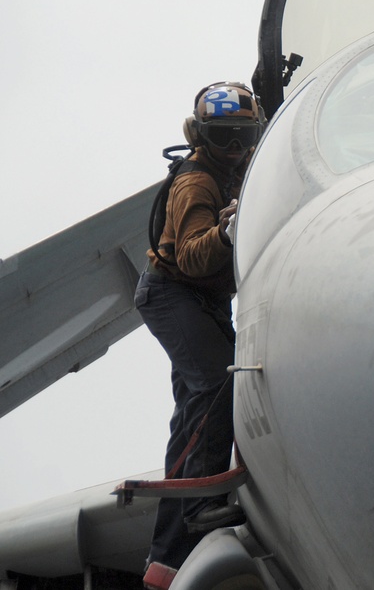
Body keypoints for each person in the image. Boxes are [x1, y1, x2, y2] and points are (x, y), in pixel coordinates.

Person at [135, 81, 264, 588]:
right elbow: (190, 255)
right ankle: (204, 504)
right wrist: (228, 231)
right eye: (224, 138)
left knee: (192, 414)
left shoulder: (240, 170)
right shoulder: (197, 183)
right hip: (173, 296)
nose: (235, 149)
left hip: (201, 302)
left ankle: (165, 560)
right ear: (203, 137)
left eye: (243, 137)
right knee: (219, 386)